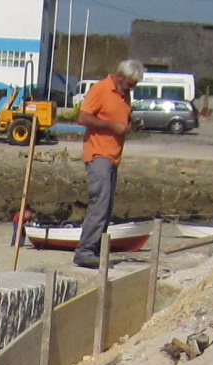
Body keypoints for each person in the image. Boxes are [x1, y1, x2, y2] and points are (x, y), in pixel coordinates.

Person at [74, 60, 144, 270]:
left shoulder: (124, 94)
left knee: (107, 205)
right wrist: (112, 126)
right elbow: (83, 117)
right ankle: (85, 251)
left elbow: (122, 119)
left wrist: (130, 124)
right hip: (98, 153)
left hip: (113, 156)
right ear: (120, 76)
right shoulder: (101, 89)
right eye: (131, 84)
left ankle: (95, 250)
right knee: (100, 203)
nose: (132, 89)